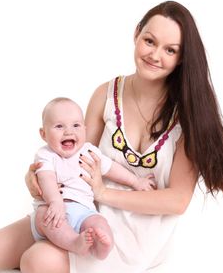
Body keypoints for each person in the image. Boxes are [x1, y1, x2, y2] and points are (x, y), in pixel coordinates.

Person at [0, 1, 223, 273]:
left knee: (34, 265)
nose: (155, 55)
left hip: (138, 233)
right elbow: (75, 154)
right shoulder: (106, 93)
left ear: (182, 58)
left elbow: (176, 201)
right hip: (82, 206)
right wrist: (36, 181)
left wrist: (104, 192)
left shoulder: (190, 116)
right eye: (150, 41)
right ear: (136, 34)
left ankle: (44, 252)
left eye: (170, 50)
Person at [31, 97, 155, 260]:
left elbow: (111, 168)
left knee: (98, 223)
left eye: (76, 125)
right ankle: (74, 242)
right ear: (44, 134)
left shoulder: (89, 151)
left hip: (84, 211)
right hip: (54, 208)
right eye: (59, 126)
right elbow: (46, 178)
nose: (69, 131)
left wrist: (136, 181)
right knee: (46, 219)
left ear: (84, 129)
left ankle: (102, 247)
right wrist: (55, 201)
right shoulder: (45, 155)